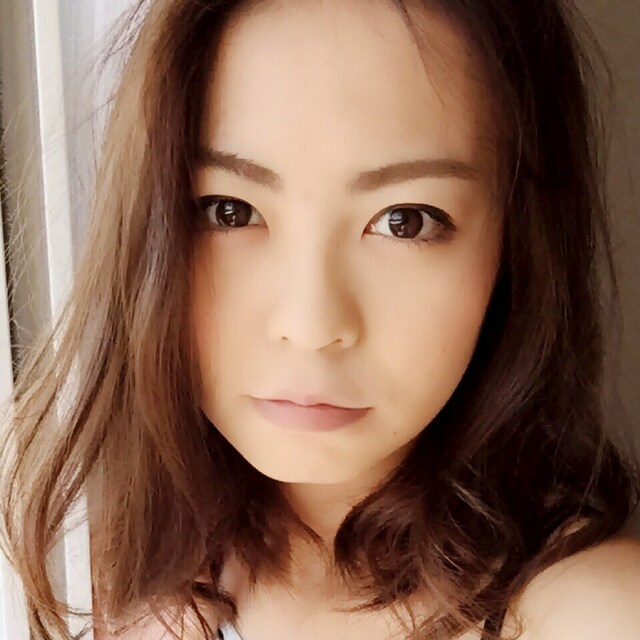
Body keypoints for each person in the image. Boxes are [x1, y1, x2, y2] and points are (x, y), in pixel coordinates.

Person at [1, 0, 640, 638]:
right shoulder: (152, 577)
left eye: (405, 221)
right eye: (229, 211)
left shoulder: (587, 614)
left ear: (515, 248)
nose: (309, 325)